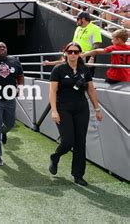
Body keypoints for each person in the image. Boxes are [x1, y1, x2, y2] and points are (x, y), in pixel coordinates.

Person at [49, 42, 102, 186]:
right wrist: (54, 110)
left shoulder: (84, 69)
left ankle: (78, 174)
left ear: (79, 54)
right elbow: (52, 91)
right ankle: (55, 157)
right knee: (67, 142)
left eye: (76, 52)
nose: (73, 54)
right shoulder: (58, 69)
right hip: (63, 108)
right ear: (65, 52)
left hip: (81, 108)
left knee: (80, 142)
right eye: (70, 52)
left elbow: (91, 90)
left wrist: (97, 109)